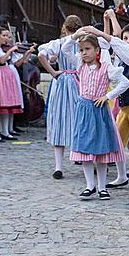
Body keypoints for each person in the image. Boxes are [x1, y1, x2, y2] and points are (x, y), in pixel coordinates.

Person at [79, 10, 129, 194]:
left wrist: (104, 28)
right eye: (126, 38)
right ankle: (122, 176)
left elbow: (116, 43)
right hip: (124, 107)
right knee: (116, 143)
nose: (128, 42)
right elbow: (107, 46)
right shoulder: (121, 58)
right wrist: (105, 23)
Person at [67, 32, 129, 201]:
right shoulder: (80, 65)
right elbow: (65, 49)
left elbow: (125, 83)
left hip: (99, 110)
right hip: (84, 110)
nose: (84, 53)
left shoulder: (106, 68)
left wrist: (108, 97)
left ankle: (102, 187)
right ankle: (90, 186)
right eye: (81, 50)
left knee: (101, 151)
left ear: (97, 50)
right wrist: (75, 36)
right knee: (85, 149)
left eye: (87, 49)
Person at [38, 16, 92, 179]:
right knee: (81, 120)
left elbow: (41, 54)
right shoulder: (83, 43)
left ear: (65, 28)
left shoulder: (60, 42)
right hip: (79, 81)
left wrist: (53, 72)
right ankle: (84, 160)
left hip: (61, 83)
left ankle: (58, 166)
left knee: (59, 120)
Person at [0, 28, 35, 142]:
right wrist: (10, 51)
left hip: (6, 76)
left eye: (8, 36)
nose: (7, 38)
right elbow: (1, 61)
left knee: (6, 105)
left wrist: (27, 52)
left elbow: (16, 63)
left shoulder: (2, 49)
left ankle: (5, 131)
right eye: (4, 36)